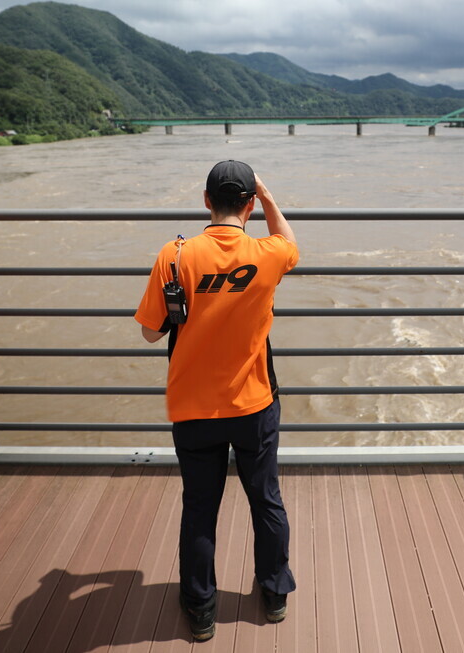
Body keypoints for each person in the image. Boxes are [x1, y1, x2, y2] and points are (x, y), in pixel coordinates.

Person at [135, 160, 298, 642]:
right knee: (266, 500)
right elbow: (290, 244)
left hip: (193, 408)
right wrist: (268, 198)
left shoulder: (176, 254)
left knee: (200, 507)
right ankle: (273, 596)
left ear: (206, 201)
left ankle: (201, 608)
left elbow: (148, 333)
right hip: (254, 404)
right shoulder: (267, 254)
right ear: (249, 203)